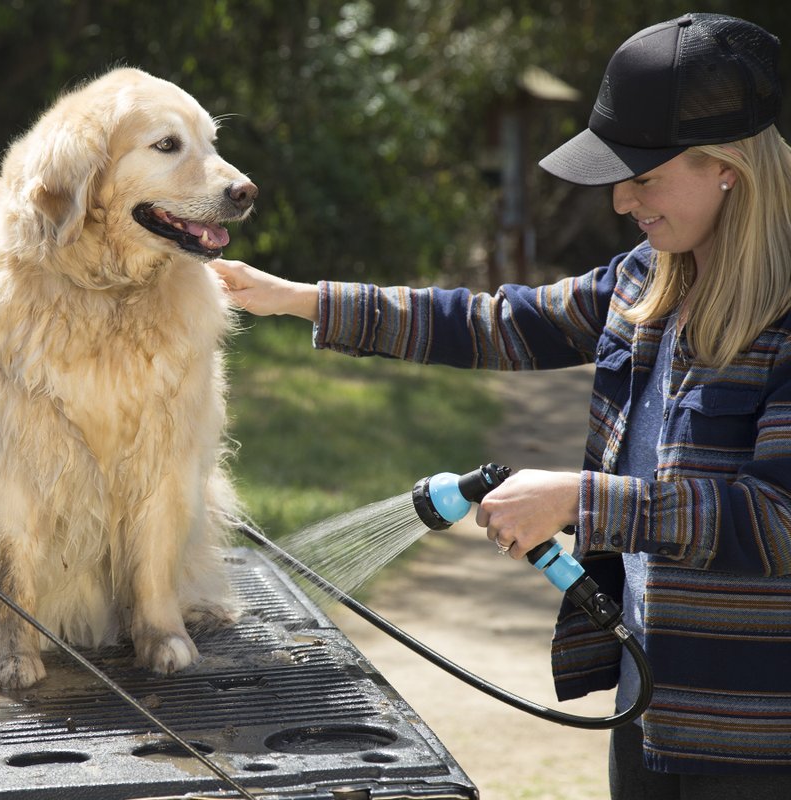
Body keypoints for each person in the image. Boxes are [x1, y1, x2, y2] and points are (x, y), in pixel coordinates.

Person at [210, 12, 791, 800]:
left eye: (643, 177)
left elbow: (774, 518)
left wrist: (577, 499)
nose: (622, 201)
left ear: (726, 166)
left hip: (757, 732)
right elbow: (498, 323)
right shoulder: (646, 279)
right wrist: (298, 300)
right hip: (651, 694)